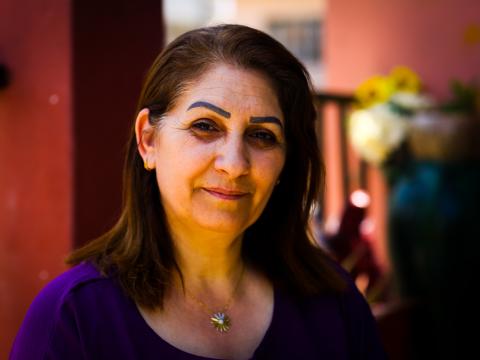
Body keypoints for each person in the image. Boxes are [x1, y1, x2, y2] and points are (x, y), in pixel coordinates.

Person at [10, 24, 386, 359]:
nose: (234, 163)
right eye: (206, 126)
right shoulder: (73, 317)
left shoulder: (333, 304)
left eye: (261, 136)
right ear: (148, 140)